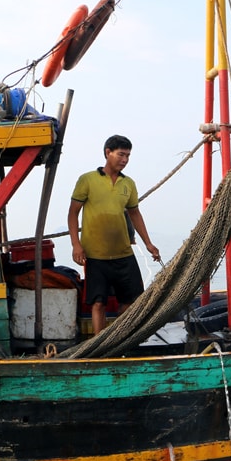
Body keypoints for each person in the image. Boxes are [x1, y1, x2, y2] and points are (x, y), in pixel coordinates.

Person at [68, 134, 161, 334]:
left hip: (123, 253)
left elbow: (135, 214)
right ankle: (99, 343)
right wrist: (76, 245)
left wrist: (148, 244)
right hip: (95, 255)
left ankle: (116, 337)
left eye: (128, 156)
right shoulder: (87, 180)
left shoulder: (129, 184)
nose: (125, 160)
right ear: (108, 153)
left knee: (133, 299)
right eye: (121, 154)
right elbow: (73, 213)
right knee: (98, 302)